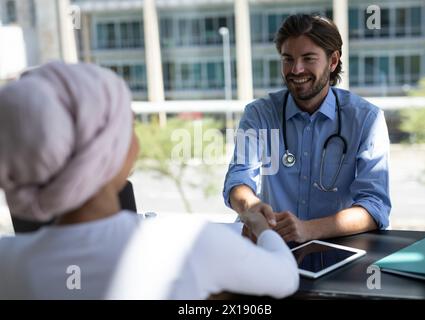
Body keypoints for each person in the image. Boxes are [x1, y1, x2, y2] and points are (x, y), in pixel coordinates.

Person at [0, 61, 299, 299]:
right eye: (127, 125)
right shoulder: (185, 245)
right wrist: (262, 228)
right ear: (104, 151)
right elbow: (285, 279)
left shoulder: (8, 262)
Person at [223, 14, 391, 244]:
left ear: (332, 62)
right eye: (288, 59)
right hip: (269, 244)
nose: (296, 69)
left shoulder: (366, 119)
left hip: (336, 247)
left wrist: (308, 229)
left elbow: (375, 206)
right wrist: (250, 207)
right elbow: (238, 178)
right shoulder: (259, 114)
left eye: (308, 58)